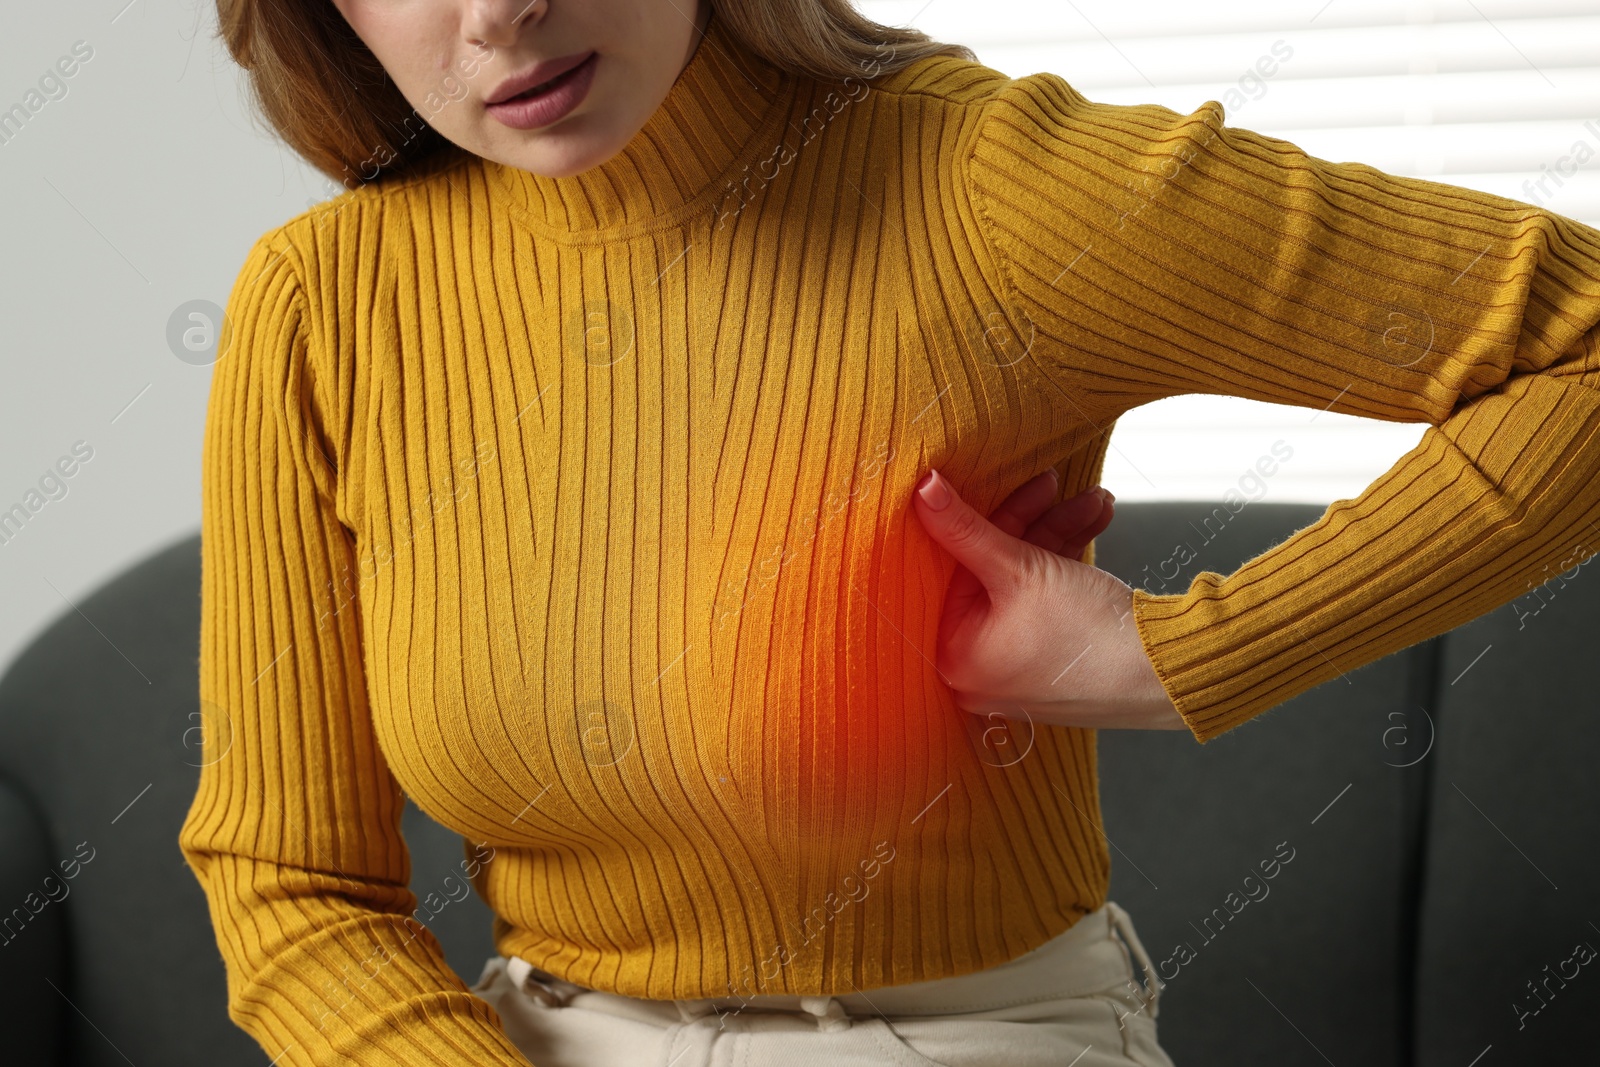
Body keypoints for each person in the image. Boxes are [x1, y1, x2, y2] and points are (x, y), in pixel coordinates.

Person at [178, 0, 1600, 1064]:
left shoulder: (990, 191)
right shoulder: (327, 304)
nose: (497, 13)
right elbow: (291, 883)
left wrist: (1177, 656)